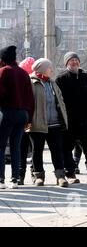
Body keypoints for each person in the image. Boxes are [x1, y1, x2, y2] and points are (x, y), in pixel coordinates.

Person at [55, 52, 87, 185]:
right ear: (66, 64)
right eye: (71, 61)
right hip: (68, 122)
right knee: (66, 149)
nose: (74, 62)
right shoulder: (61, 79)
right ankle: (70, 173)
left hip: (85, 121)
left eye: (76, 60)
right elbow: (58, 102)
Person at [27, 58, 69, 187]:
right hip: (37, 123)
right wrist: (28, 120)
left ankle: (60, 176)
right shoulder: (31, 82)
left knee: (57, 150)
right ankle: (39, 176)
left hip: (54, 123)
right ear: (43, 68)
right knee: (37, 151)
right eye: (50, 67)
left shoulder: (52, 83)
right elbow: (28, 103)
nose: (52, 70)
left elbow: (60, 100)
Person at [0, 46, 35, 189]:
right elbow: (30, 98)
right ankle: (15, 180)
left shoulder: (3, 71)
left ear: (2, 59)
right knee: (16, 147)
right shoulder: (23, 73)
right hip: (23, 114)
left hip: (8, 113)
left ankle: (1, 180)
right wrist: (29, 118)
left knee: (0, 146)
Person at [17, 57, 35, 185]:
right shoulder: (37, 82)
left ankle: (20, 175)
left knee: (21, 148)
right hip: (34, 120)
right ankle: (34, 173)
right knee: (35, 148)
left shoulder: (20, 81)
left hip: (22, 119)